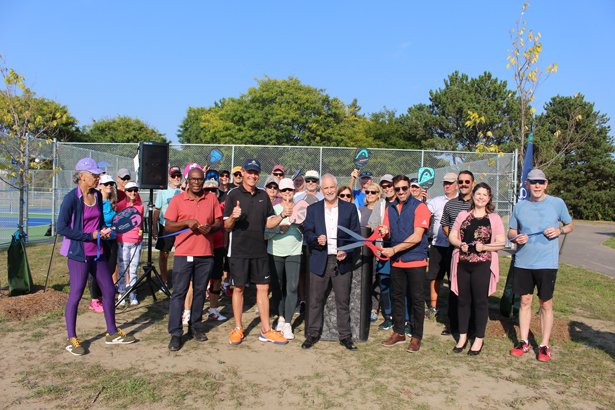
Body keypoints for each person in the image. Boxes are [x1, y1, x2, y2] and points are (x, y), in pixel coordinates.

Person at [57, 157, 135, 356]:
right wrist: (89, 236)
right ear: (81, 176)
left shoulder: (98, 196)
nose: (97, 177)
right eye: (94, 174)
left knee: (109, 291)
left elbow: (98, 222)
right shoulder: (71, 199)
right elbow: (62, 228)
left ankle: (112, 332)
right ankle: (71, 339)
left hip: (97, 252)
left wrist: (103, 230)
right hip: (78, 254)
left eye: (98, 174)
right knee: (75, 295)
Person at [508, 169, 574, 362]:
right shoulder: (520, 206)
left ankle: (544, 345)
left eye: (541, 182)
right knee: (525, 301)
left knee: (546, 303)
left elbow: (570, 225)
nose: (537, 186)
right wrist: (516, 237)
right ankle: (523, 341)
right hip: (524, 262)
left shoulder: (557, 203)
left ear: (546, 184)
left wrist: (560, 230)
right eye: (533, 182)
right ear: (527, 184)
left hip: (547, 262)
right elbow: (511, 231)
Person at [224, 158, 291, 345]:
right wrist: (233, 217)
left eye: (256, 173)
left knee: (263, 289)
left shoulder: (263, 196)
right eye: (249, 172)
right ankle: (238, 328)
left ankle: (266, 330)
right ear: (243, 173)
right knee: (238, 288)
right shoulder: (232, 194)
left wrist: (282, 215)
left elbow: (268, 223)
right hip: (238, 250)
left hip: (260, 250)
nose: (252, 176)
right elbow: (226, 226)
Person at [164, 167, 222, 351]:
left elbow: (219, 222)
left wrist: (211, 228)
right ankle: (175, 332)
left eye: (200, 179)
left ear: (203, 180)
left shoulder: (211, 198)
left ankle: (195, 326)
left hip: (205, 253)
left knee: (199, 292)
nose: (197, 182)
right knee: (179, 293)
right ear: (187, 180)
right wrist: (186, 222)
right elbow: (168, 226)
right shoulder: (178, 199)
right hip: (183, 253)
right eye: (193, 179)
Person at [302, 174, 361, 351]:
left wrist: (346, 250)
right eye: (325, 188)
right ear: (321, 190)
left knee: (343, 300)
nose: (329, 191)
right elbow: (307, 232)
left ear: (336, 188)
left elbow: (356, 235)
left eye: (332, 187)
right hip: (320, 259)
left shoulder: (349, 209)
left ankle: (345, 336)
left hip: (342, 261)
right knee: (315, 300)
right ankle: (312, 334)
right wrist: (315, 239)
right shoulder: (313, 209)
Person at [448, 183, 505, 355]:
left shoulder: (494, 218)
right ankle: (463, 337)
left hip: (483, 265)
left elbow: (501, 242)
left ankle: (479, 339)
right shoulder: (463, 215)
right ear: (473, 195)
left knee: (480, 302)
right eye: (478, 193)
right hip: (463, 264)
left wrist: (485, 247)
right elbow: (452, 235)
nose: (481, 197)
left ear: (489, 198)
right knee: (462, 301)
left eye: (484, 194)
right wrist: (460, 244)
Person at [380, 175, 431, 353]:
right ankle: (398, 332)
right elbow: (386, 234)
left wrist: (394, 250)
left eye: (404, 188)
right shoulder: (390, 208)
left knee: (417, 300)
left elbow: (417, 237)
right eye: (397, 189)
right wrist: (384, 232)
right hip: (397, 263)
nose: (401, 191)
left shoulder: (421, 207)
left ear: (409, 188)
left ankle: (416, 337)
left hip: (415, 260)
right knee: (397, 297)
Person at [265, 178, 303, 340]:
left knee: (293, 287)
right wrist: (279, 229)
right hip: (275, 252)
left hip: (295, 251)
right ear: (280, 193)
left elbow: (308, 230)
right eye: (284, 190)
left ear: (294, 191)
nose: (287, 193)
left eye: (290, 190)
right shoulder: (273, 209)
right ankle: (280, 317)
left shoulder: (302, 208)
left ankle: (288, 323)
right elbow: (265, 233)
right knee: (277, 286)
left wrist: (301, 226)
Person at [440, 170, 475, 336]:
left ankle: (472, 325)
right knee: (454, 288)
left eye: (467, 182)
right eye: (460, 182)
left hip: (475, 254)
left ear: (472, 183)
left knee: (472, 289)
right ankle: (453, 324)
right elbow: (445, 224)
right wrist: (454, 240)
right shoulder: (451, 204)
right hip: (454, 251)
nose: (463, 185)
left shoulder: (479, 202)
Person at [425, 172, 458, 319]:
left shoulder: (462, 202)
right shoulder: (436, 201)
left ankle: (453, 307)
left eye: (450, 183)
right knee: (434, 277)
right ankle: (433, 306)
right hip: (437, 246)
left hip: (455, 247)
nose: (447, 185)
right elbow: (424, 213)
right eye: (445, 183)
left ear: (457, 185)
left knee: (454, 279)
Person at [367, 174, 396, 330]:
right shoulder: (380, 204)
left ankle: (404, 319)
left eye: (389, 185)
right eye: (384, 186)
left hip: (400, 252)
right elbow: (372, 225)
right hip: (382, 252)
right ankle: (389, 316)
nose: (387, 188)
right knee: (384, 286)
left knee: (400, 287)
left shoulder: (401, 203)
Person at [88, 174, 117, 313]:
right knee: (98, 271)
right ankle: (95, 300)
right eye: (106, 184)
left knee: (110, 269)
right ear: (100, 186)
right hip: (101, 241)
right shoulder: (97, 204)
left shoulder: (112, 203)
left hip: (112, 240)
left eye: (111, 184)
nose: (109, 186)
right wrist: (102, 230)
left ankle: (102, 295)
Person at [153, 166, 183, 288]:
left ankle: (180, 281)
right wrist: (154, 227)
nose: (176, 178)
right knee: (164, 255)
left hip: (181, 227)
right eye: (173, 176)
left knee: (182, 255)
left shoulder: (184, 191)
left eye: (178, 176)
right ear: (169, 178)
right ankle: (164, 281)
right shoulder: (163, 191)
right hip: (166, 227)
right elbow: (157, 210)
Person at [116, 181, 144, 306]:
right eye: (130, 190)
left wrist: (140, 235)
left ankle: (132, 293)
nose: (133, 193)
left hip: (136, 242)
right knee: (123, 268)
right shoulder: (120, 205)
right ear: (125, 192)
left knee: (133, 268)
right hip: (122, 241)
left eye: (135, 190)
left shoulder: (140, 206)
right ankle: (122, 292)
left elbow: (140, 222)